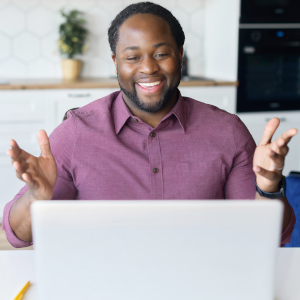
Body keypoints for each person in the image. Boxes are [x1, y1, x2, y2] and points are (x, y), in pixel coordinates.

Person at [3, 2, 298, 248]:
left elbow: (267, 239)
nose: (148, 68)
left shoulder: (227, 132)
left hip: (203, 281)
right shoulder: (77, 133)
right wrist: (36, 198)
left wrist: (269, 186)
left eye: (161, 54)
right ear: (115, 62)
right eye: (132, 57)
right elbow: (18, 236)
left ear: (180, 56)